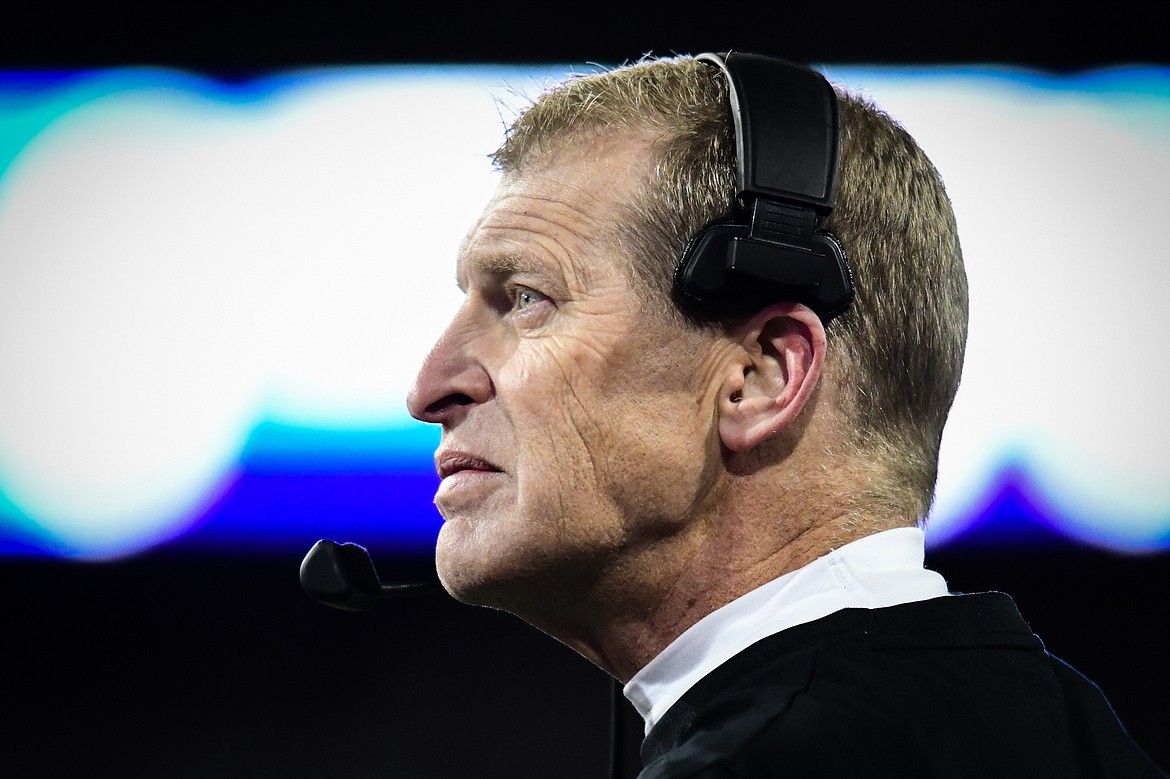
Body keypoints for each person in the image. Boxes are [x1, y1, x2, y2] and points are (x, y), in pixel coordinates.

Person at [405, 51, 1166, 778]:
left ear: (762, 376)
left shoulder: (758, 764)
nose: (429, 387)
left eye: (528, 298)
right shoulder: (1077, 734)